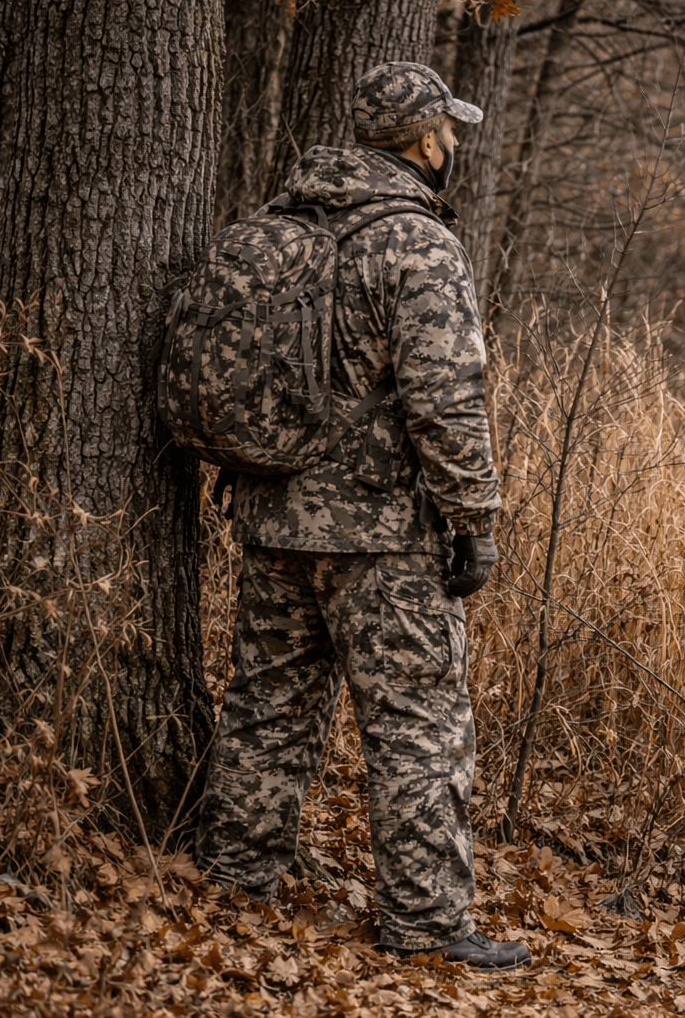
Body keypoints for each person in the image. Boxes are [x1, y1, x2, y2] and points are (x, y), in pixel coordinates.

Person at [193, 61, 529, 972]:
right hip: (383, 536)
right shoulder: (417, 247)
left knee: (266, 707)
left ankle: (232, 883)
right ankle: (423, 924)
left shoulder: (273, 229)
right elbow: (447, 400)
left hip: (267, 516)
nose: (452, 144)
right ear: (423, 140)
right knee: (417, 721)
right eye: (447, 132)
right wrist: (475, 519)